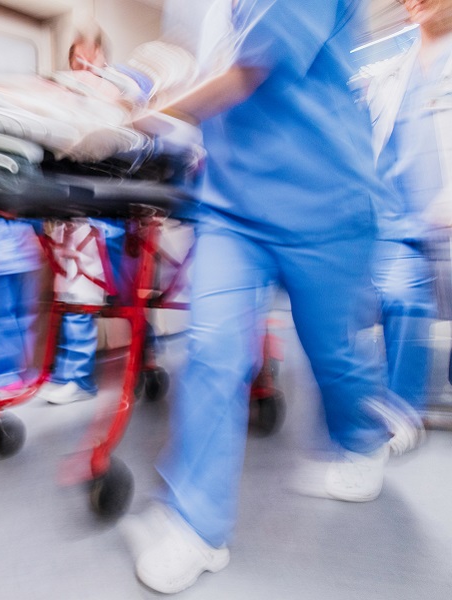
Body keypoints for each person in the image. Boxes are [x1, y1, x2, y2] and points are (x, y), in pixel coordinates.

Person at [122, 0, 393, 594]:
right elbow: (185, 58)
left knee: (332, 355)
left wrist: (138, 119)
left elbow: (248, 70)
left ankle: (363, 439)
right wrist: (131, 81)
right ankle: (197, 526)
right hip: (232, 205)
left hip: (325, 202)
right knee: (213, 347)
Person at [364, 0, 452, 454]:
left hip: (445, 213)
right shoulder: (389, 69)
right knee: (401, 298)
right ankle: (401, 410)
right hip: (399, 218)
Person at [35, 31, 127, 405]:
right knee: (76, 294)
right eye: (77, 58)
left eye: (92, 56)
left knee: (126, 298)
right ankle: (74, 375)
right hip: (75, 214)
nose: (84, 64)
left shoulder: (118, 95)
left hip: (110, 212)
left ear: (105, 59)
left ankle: (142, 362)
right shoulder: (61, 98)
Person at [0, 217, 42, 397]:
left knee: (14, 318)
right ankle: (10, 374)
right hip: (4, 256)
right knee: (7, 318)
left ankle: (9, 375)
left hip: (20, 255)